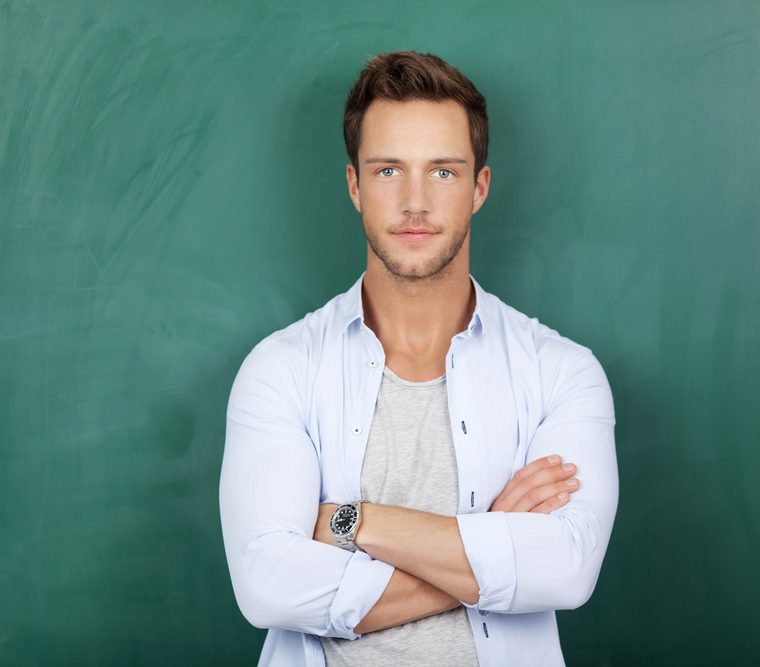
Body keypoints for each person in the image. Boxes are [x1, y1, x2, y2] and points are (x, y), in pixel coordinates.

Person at [219, 51, 618, 667]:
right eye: (387, 171)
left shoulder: (562, 373)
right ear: (354, 185)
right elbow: (266, 587)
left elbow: (565, 570)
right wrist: (490, 539)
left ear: (479, 187)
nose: (413, 202)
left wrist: (351, 521)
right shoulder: (280, 370)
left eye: (443, 172)